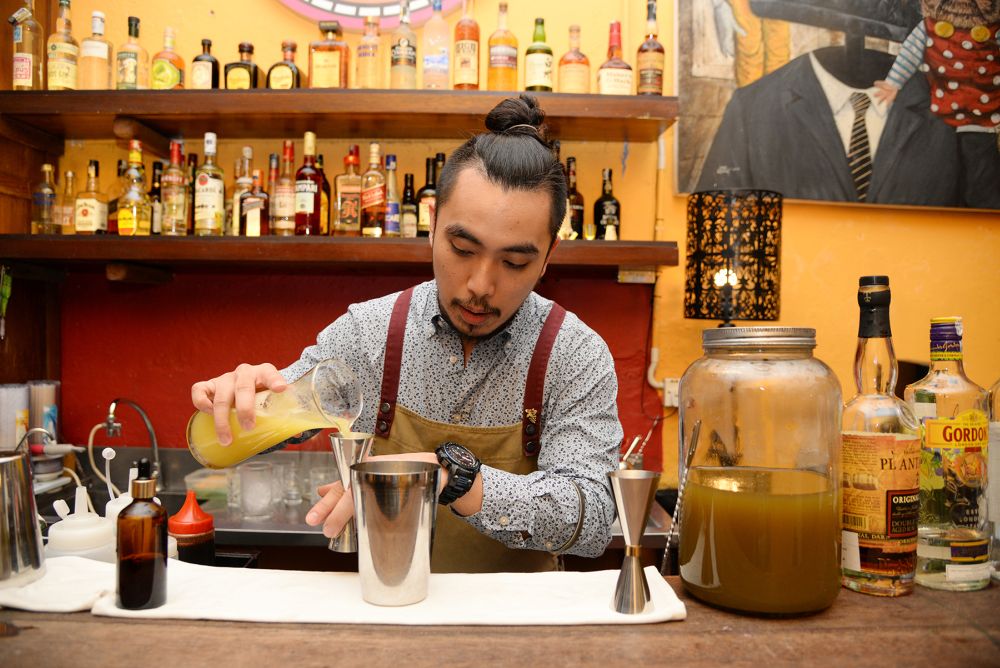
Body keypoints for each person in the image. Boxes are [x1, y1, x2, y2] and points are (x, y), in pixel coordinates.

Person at [190, 95, 623, 574]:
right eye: (462, 248)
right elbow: (264, 418)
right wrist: (238, 404)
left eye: (515, 262)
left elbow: (593, 517)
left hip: (516, 626)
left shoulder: (574, 353)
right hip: (387, 610)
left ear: (549, 256)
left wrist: (450, 479)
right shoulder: (370, 333)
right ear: (433, 222)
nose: (481, 285)